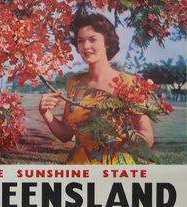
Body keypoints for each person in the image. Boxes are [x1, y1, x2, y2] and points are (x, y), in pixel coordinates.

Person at [39, 13, 154, 164]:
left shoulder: (128, 83)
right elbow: (66, 134)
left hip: (115, 169)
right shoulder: (74, 82)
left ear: (107, 42)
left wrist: (123, 132)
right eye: (80, 41)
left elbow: (148, 139)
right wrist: (45, 112)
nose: (85, 46)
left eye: (92, 39)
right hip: (78, 167)